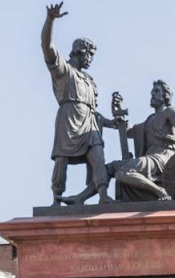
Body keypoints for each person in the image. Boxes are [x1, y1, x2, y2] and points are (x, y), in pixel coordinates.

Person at [41, 2, 116, 205]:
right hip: (68, 120)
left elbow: (94, 112)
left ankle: (103, 195)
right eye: (90, 54)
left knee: (98, 155)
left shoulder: (90, 81)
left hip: (89, 124)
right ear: (79, 51)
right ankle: (56, 199)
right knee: (61, 160)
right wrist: (50, 20)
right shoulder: (64, 71)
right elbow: (47, 47)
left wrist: (111, 123)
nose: (91, 59)